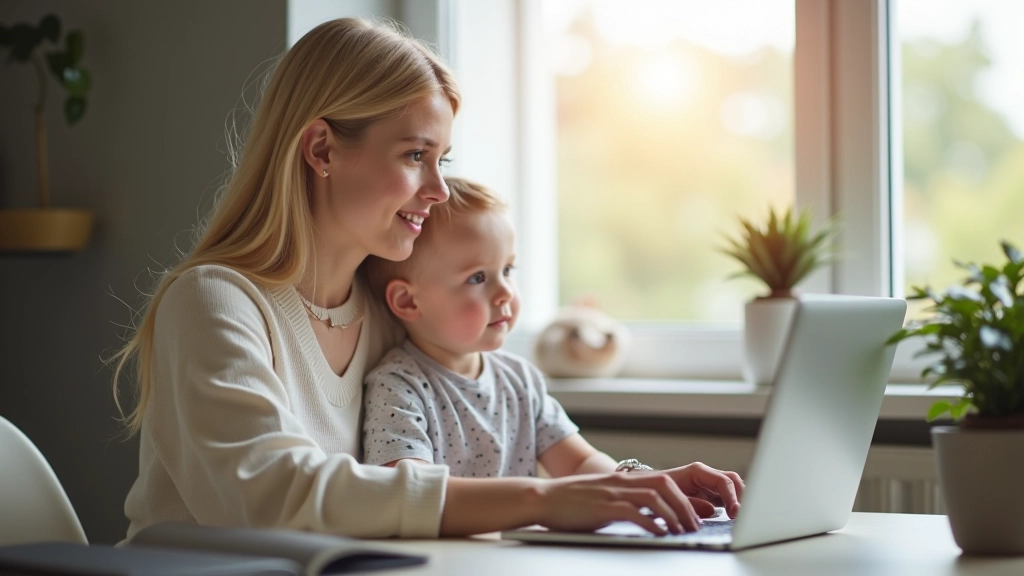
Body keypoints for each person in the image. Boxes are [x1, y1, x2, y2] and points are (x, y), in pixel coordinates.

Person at [110, 17, 743, 541]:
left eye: (442, 160)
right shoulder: (216, 302)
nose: (438, 191)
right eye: (415, 156)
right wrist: (544, 500)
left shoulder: (389, 316)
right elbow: (271, 495)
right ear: (322, 150)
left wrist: (633, 483)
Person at [361, 177, 625, 483]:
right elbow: (411, 487)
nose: (505, 293)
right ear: (408, 301)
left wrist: (645, 482)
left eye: (508, 270)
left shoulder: (520, 380)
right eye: (477, 278)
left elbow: (580, 463)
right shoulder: (399, 387)